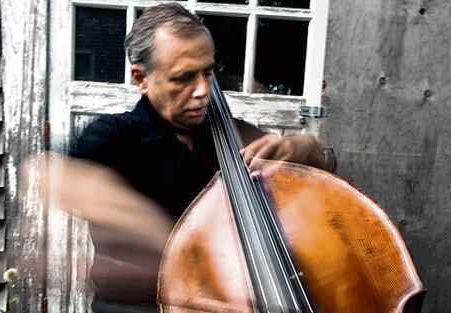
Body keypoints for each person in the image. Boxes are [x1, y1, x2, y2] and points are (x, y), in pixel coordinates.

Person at [65, 3, 335, 312]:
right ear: (141, 79)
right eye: (183, 78)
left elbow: (322, 164)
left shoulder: (235, 137)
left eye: (208, 72)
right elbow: (70, 182)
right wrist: (164, 235)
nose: (203, 91)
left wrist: (301, 147)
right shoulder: (113, 136)